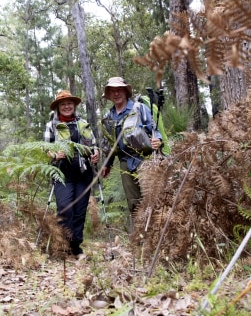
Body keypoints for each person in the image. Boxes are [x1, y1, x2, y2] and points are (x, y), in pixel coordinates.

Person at [43, 90, 99, 257]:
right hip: (62, 173)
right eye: (63, 104)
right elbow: (46, 148)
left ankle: (76, 247)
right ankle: (64, 244)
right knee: (65, 209)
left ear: (74, 106)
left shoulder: (83, 123)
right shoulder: (51, 125)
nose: (67, 106)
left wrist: (95, 154)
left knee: (80, 211)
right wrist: (54, 155)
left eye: (69, 103)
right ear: (58, 108)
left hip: (83, 173)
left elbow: (93, 145)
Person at [100, 77, 162, 214]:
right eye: (112, 91)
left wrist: (157, 140)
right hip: (124, 162)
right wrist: (107, 164)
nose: (116, 94)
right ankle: (139, 233)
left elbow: (154, 129)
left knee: (151, 198)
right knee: (134, 202)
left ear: (125, 92)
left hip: (144, 158)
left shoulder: (139, 108)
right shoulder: (108, 117)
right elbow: (110, 143)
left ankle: (156, 232)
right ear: (109, 95)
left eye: (119, 90)